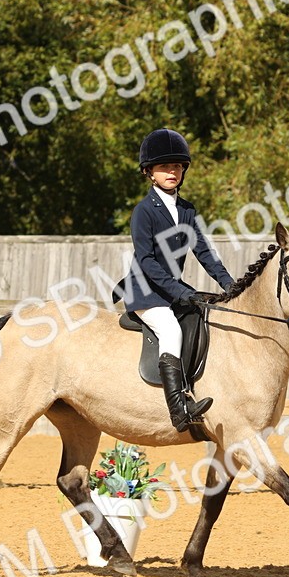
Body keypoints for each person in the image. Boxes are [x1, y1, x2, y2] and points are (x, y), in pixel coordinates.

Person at [113, 128, 235, 432]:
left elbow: (204, 251)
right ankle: (179, 408)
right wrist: (182, 291)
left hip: (168, 292)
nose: (172, 171)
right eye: (165, 166)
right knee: (170, 329)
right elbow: (147, 262)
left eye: (178, 166)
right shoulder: (144, 212)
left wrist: (230, 285)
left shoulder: (186, 210)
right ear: (149, 172)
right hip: (144, 292)